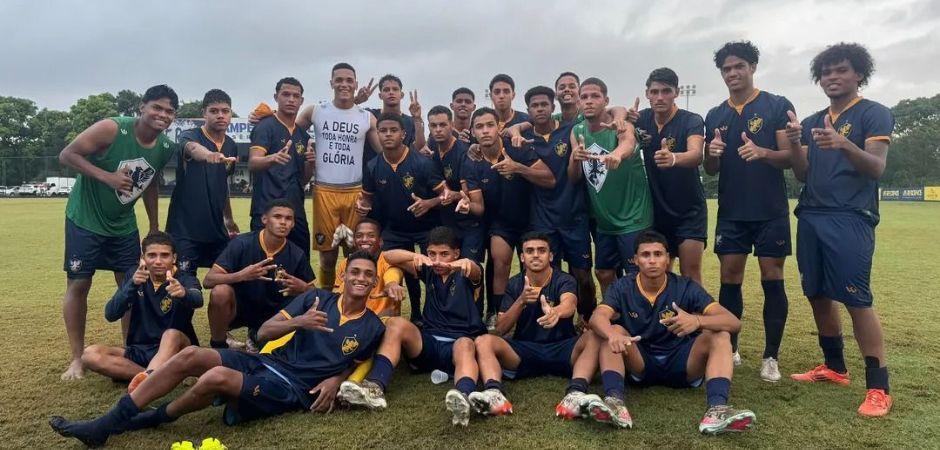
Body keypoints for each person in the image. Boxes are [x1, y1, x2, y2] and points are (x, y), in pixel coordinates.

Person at [49, 252, 386, 447]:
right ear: (343, 275)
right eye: (354, 271)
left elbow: (357, 361)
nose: (360, 278)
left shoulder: (373, 326)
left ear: (374, 283)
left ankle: (151, 419)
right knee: (191, 355)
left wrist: (334, 380)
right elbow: (266, 331)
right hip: (267, 360)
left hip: (293, 388)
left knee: (216, 376)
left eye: (367, 275)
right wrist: (299, 323)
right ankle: (108, 423)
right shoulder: (316, 298)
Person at [788, 43, 895, 417]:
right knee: (816, 293)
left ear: (858, 74)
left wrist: (843, 143)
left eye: (841, 70)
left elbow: (876, 168)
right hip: (812, 214)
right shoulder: (815, 119)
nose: (833, 77)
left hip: (850, 217)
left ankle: (879, 387)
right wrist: (795, 142)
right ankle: (834, 366)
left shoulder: (875, 113)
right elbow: (802, 173)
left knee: (856, 298)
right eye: (827, 72)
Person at [59, 84, 182, 381]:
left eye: (169, 111)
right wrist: (108, 177)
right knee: (79, 284)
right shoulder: (112, 128)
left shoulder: (165, 147)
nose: (162, 115)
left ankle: (132, 349)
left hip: (123, 226)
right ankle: (77, 358)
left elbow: (150, 181)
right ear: (142, 107)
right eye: (157, 107)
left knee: (131, 285)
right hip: (85, 220)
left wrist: (153, 225)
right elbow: (67, 154)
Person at [588, 230, 756, 434]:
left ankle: (717, 409)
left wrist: (697, 321)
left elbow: (733, 322)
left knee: (720, 334)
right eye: (645, 255)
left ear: (667, 259)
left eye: (658, 254)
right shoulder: (622, 286)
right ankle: (615, 403)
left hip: (683, 362)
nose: (652, 261)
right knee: (612, 331)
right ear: (635, 260)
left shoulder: (685, 286)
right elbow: (598, 316)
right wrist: (612, 334)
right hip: (641, 361)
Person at [703, 41, 796, 380]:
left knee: (773, 277)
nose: (732, 73)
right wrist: (712, 153)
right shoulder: (715, 114)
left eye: (739, 66)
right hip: (731, 211)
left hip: (770, 209)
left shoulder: (776, 105)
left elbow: (789, 157)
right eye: (726, 69)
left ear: (753, 67)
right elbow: (710, 168)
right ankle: (731, 346)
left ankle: (771, 357)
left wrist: (764, 153)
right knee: (730, 278)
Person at [336, 226, 486, 427]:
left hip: (460, 345)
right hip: (429, 344)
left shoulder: (467, 273)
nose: (438, 260)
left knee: (466, 344)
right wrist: (416, 257)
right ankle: (374, 388)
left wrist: (464, 263)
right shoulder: (430, 270)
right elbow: (388, 256)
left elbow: (474, 271)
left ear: (456, 253)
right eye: (432, 253)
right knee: (396, 324)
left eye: (444, 254)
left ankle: (463, 396)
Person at [469, 232, 601, 419]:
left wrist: (556, 312)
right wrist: (521, 301)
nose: (536, 255)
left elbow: (569, 304)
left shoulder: (564, 279)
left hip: (562, 347)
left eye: (542, 250)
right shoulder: (514, 283)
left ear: (551, 256)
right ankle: (494, 394)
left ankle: (576, 394)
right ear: (522, 257)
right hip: (525, 350)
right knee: (483, 341)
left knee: (594, 336)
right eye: (530, 251)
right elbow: (499, 329)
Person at [461, 107, 555, 326]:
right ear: (473, 132)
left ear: (498, 127)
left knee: (534, 266)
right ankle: (496, 311)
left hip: (530, 221)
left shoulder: (517, 148)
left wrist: (518, 168)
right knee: (500, 261)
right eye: (479, 127)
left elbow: (550, 179)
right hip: (500, 224)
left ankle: (534, 312)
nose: (485, 131)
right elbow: (479, 206)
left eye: (489, 125)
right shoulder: (472, 162)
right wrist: (466, 204)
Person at [357, 113, 449, 325]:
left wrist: (428, 203)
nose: (388, 134)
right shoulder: (373, 166)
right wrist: (362, 205)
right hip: (395, 229)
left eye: (393, 130)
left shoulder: (422, 163)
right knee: (406, 271)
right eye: (383, 131)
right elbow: (367, 200)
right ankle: (416, 314)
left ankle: (435, 313)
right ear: (377, 134)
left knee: (430, 271)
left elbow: (446, 194)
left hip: (426, 227)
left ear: (403, 134)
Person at [81, 232, 202, 393]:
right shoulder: (134, 276)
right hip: (140, 350)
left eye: (164, 255)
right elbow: (110, 314)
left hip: (177, 350)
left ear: (174, 258)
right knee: (90, 355)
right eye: (152, 255)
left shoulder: (184, 278)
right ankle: (151, 375)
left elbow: (198, 299)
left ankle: (148, 378)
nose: (158, 261)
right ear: (143, 257)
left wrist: (184, 293)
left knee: (171, 334)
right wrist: (131, 285)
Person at [520, 85, 596, 320]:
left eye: (544, 104)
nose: (540, 109)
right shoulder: (523, 139)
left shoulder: (570, 131)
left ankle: (587, 317)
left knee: (582, 275)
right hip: (543, 220)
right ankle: (554, 320)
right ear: (528, 110)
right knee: (549, 274)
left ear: (553, 108)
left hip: (574, 216)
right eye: (535, 105)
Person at [569, 78, 649, 297]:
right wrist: (574, 159)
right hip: (605, 222)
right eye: (584, 97)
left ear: (606, 100)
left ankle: (640, 321)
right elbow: (574, 177)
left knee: (637, 274)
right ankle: (613, 314)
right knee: (604, 272)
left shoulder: (620, 124)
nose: (589, 101)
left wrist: (616, 153)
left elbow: (628, 142)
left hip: (633, 218)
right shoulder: (577, 131)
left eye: (595, 96)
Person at [203, 199, 315, 351]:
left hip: (274, 314)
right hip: (241, 308)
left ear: (293, 224)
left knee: (303, 305)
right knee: (220, 292)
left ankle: (256, 336)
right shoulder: (242, 243)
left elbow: (314, 294)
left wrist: (303, 288)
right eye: (277, 216)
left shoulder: (296, 254)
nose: (283, 222)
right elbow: (209, 280)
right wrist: (241, 275)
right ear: (264, 219)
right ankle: (219, 345)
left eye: (288, 218)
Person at [635, 68, 707, 285]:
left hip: (689, 210)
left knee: (690, 273)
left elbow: (696, 154)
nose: (659, 97)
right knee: (659, 273)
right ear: (647, 93)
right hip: (656, 211)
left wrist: (674, 158)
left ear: (676, 92)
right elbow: (615, 113)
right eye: (654, 91)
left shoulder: (691, 120)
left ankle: (696, 318)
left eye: (666, 91)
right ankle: (664, 317)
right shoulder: (642, 118)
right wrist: (623, 116)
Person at [166, 89, 240, 276]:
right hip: (185, 231)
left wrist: (229, 218)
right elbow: (191, 148)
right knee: (184, 289)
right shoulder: (189, 136)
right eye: (214, 111)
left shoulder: (231, 145)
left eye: (225, 111)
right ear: (204, 113)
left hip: (216, 231)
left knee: (226, 283)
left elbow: (223, 186)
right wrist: (209, 155)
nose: (220, 115)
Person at [248, 77, 315, 255]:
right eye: (286, 94)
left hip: (295, 211)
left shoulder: (303, 135)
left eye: (296, 96)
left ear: (301, 101)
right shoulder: (266, 126)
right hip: (267, 207)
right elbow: (253, 163)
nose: (291, 99)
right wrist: (273, 158)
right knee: (263, 263)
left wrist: (311, 163)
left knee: (299, 262)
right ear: (276, 97)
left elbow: (304, 179)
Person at [427, 105, 484, 262]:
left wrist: (456, 195)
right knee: (446, 273)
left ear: (451, 125)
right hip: (446, 224)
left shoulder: (464, 154)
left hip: (469, 225)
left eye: (443, 125)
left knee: (468, 271)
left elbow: (473, 201)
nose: (438, 129)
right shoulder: (432, 149)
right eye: (434, 125)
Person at [333, 218, 406, 320]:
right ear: (354, 241)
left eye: (371, 235)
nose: (364, 239)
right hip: (352, 319)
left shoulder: (388, 259)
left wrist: (392, 284)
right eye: (359, 236)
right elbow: (336, 292)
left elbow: (393, 273)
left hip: (382, 318)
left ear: (380, 241)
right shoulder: (345, 263)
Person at [358, 74, 427, 159]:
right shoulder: (369, 115)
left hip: (401, 170)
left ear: (401, 95)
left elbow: (418, 146)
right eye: (386, 90)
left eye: (395, 89)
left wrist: (417, 118)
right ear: (380, 96)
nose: (391, 92)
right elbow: (345, 114)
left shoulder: (410, 121)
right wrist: (357, 100)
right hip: (371, 170)